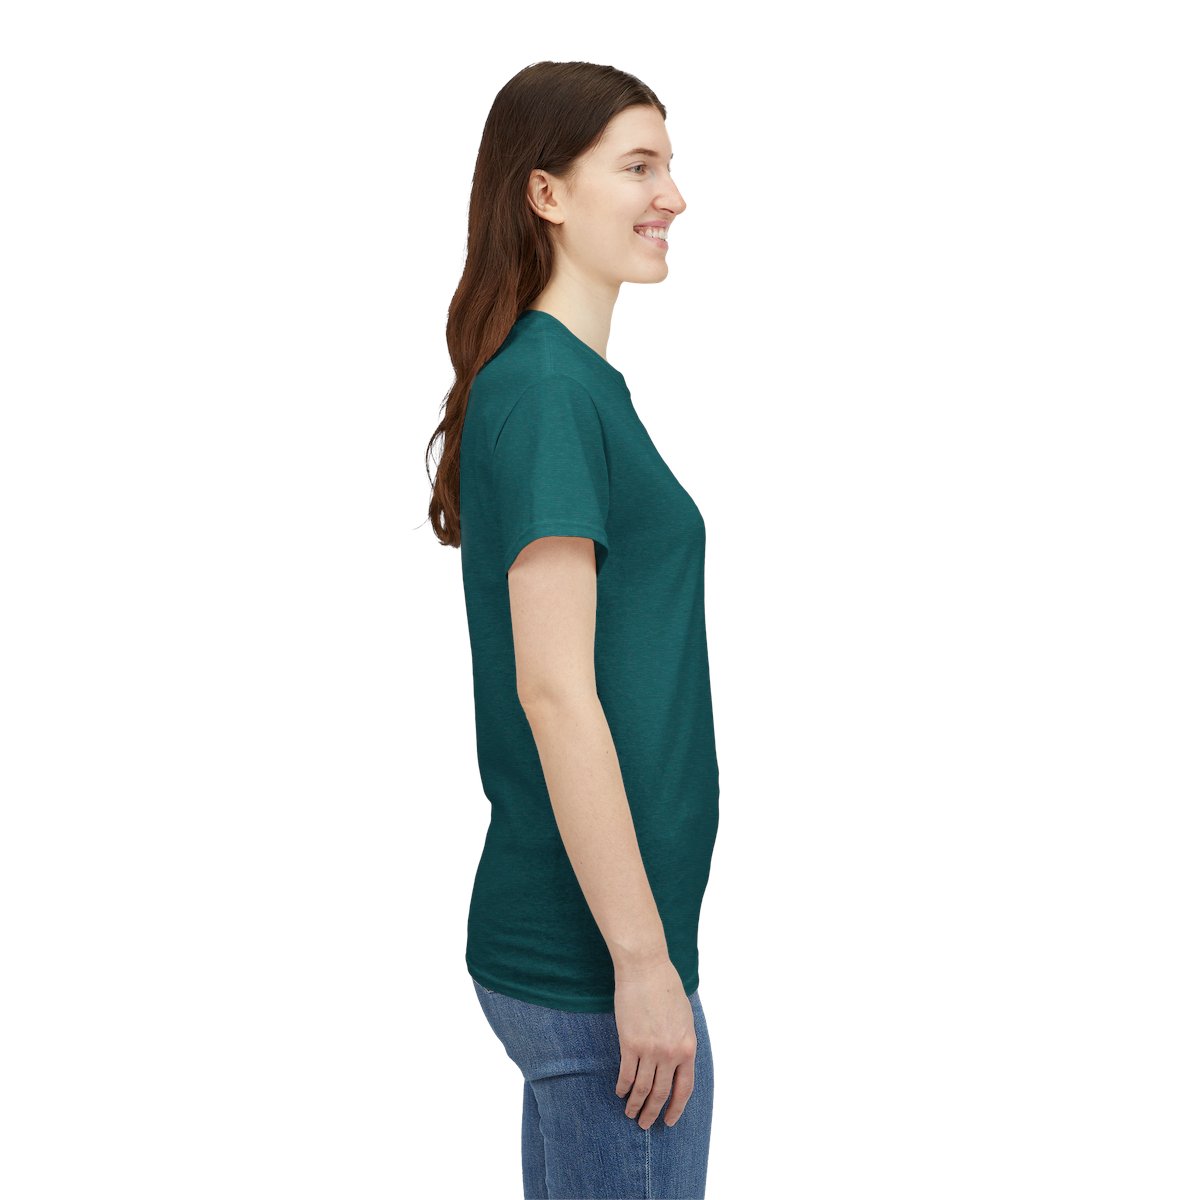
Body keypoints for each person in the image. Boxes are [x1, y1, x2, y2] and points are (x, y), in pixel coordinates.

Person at [425, 61, 720, 1199]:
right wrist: (642, 966)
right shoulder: (550, 390)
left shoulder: (571, 383)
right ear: (546, 193)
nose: (672, 196)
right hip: (596, 959)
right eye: (638, 167)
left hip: (600, 949)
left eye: (669, 166)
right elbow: (554, 692)